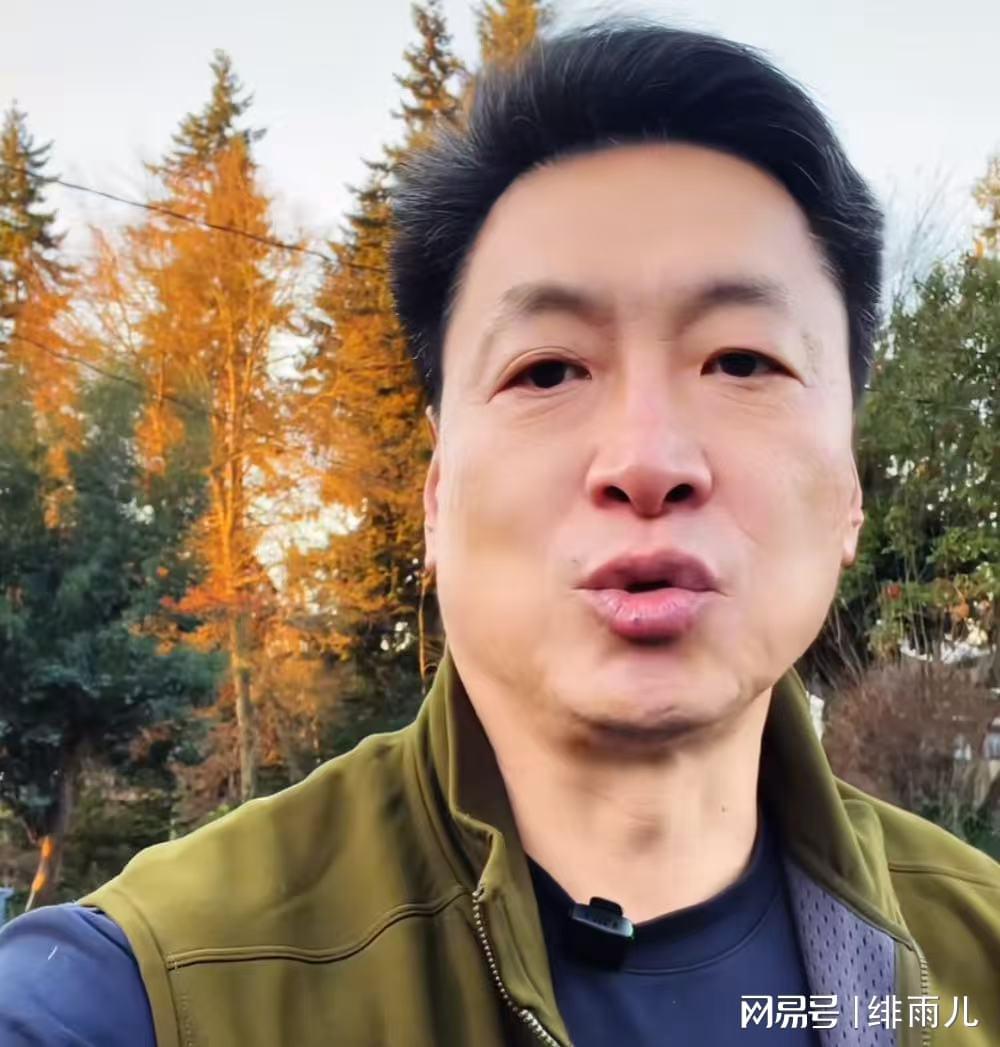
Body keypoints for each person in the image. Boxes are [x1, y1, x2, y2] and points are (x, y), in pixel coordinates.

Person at [2, 18, 998, 1047]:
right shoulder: (158, 990)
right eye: (547, 370)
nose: (646, 460)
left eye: (742, 361)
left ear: (848, 489)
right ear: (437, 495)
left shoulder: (972, 959)